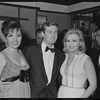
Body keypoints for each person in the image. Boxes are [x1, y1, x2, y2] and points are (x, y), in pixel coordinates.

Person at [23, 21, 65, 98]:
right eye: (49, 32)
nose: (53, 35)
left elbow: (60, 77)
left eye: (55, 32)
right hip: (33, 95)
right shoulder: (29, 51)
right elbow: (23, 75)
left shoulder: (61, 55)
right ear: (42, 33)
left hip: (52, 95)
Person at [57, 28, 97, 98]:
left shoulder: (86, 59)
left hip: (78, 94)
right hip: (61, 93)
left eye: (74, 41)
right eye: (68, 41)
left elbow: (93, 85)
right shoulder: (64, 56)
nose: (70, 44)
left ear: (80, 43)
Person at [0, 18, 31, 98]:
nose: (15, 39)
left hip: (25, 92)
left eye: (18, 35)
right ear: (5, 37)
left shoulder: (20, 52)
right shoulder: (2, 56)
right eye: (10, 35)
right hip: (10, 94)